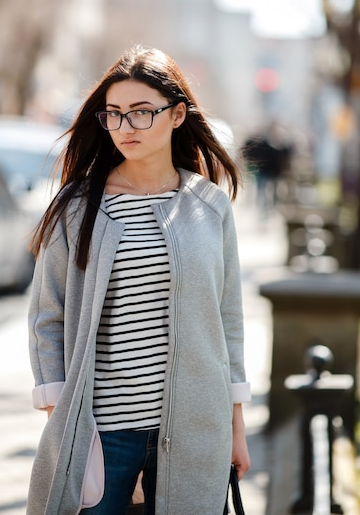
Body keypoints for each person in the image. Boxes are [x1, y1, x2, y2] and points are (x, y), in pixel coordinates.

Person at [27, 45, 251, 515]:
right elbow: (48, 316)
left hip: (193, 431)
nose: (125, 127)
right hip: (102, 437)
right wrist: (63, 424)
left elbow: (227, 321)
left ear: (177, 115)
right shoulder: (78, 206)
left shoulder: (209, 206)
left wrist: (236, 430)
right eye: (114, 114)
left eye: (142, 112)